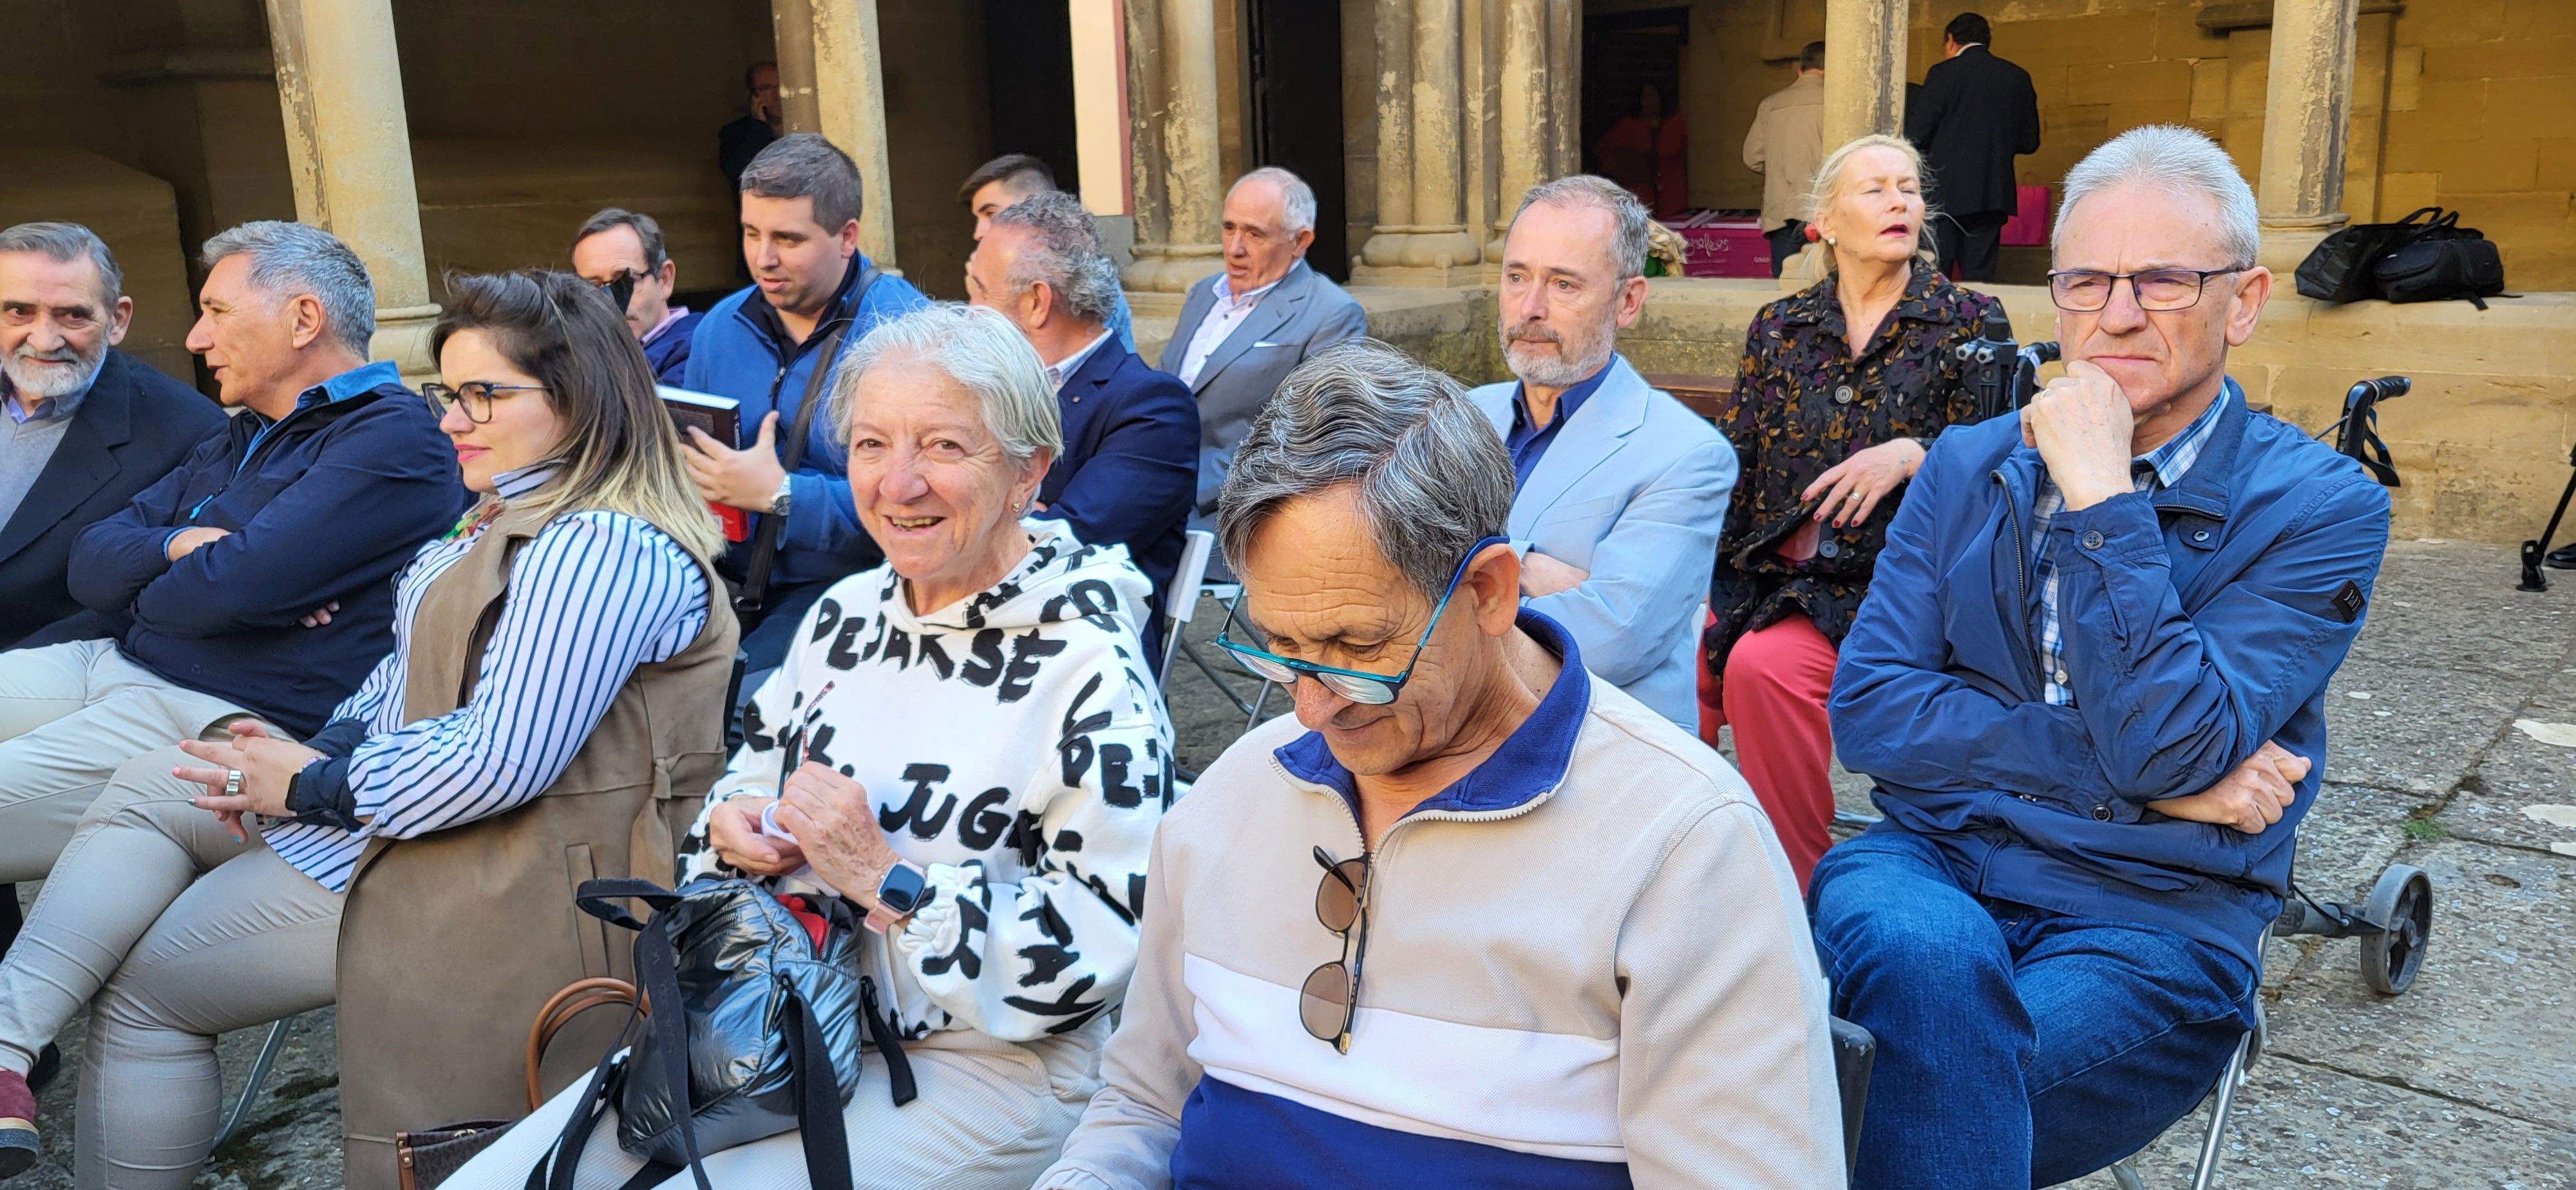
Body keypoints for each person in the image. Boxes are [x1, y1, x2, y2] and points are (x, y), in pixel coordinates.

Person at [1037, 341, 1840, 1189]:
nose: (1309, 710)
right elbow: (1141, 1108)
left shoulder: (1684, 844)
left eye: (1355, 647)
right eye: (1280, 648)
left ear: (1492, 591)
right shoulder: (1232, 795)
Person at [453, 303, 1174, 1189]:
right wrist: (733, 825)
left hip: (987, 1067)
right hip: (776, 1024)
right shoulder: (846, 617)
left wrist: (888, 880)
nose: (898, 484)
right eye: (871, 445)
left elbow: (1102, 948)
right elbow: (746, 779)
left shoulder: (1088, 665)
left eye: (944, 447)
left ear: (1028, 472)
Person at [1814, 125, 2392, 1187]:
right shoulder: (1965, 463)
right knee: (1922, 963)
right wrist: (2141, 780)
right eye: (2086, 279)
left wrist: (2100, 495)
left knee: (1848, 1091)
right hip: (1931, 858)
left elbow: (2170, 742)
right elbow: (1872, 713)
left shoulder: (2324, 506)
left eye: (2166, 279)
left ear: (2247, 300)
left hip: (2151, 919)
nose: (2117, 313)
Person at [0, 220, 473, 1184]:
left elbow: (235, 588)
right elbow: (99, 560)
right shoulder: (248, 431)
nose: (195, 336)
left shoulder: (392, 442)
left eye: (217, 310)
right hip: (110, 660)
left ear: (303, 319)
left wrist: (191, 565)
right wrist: (183, 547)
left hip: (205, 709)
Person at [1701, 135, 2005, 889]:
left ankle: (1795, 889)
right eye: (1874, 189)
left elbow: (2010, 455)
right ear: (1826, 222)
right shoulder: (1780, 326)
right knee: (1667, 649)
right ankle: (1681, 865)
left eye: (1907, 188)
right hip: (1769, 571)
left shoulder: (1969, 320)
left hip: (1892, 589)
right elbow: (1734, 459)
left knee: (1765, 668)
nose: (1898, 200)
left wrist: (1917, 452)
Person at [1464, 175, 1736, 731]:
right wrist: (1522, 563)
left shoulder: (1687, 454)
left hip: (1591, 751)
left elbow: (1610, 639)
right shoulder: (1458, 415)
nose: (1530, 307)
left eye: (1564, 285)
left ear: (1628, 301)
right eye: (1517, 277)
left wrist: (1442, 589)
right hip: (1438, 741)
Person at [682, 133, 929, 693]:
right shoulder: (720, 325)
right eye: (751, 233)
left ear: (847, 238)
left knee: (734, 712)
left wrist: (783, 494)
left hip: (851, 591)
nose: (763, 259)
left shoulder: (910, 334)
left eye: (788, 239)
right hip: (717, 579)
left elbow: (923, 504)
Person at [965, 191, 1195, 667]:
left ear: (1036, 302)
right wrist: (1017, 509)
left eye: (979, 290)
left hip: (1080, 660)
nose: (969, 309)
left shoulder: (1151, 405)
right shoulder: (986, 389)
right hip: (980, 633)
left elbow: (1062, 545)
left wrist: (994, 512)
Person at [0, 222, 225, 647]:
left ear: (118, 320)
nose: (45, 340)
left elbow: (151, 603)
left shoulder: (191, 433)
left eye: (73, 315)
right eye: (19, 311)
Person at [1158, 167, 1366, 531]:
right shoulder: (1203, 294)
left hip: (1232, 517)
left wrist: (1175, 486)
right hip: (1154, 492)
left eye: (1254, 234)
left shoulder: (1332, 313)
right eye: (1229, 228)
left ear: (1300, 241)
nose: (1235, 248)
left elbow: (1306, 441)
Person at [1905, 12, 2040, 281]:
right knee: (1980, 281)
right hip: (1991, 193)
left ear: (1951, 41)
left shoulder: (1943, 74)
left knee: (1934, 277)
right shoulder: (2017, 77)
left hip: (1943, 192)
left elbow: (1916, 135)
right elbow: (2030, 142)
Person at [958, 153, 1135, 352]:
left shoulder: (1082, 284)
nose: (978, 233)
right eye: (978, 218)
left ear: (1037, 210)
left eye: (991, 214)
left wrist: (981, 296)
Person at [571, 207, 702, 384]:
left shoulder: (699, 349)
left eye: (627, 281)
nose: (613, 301)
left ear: (664, 279)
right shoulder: (578, 350)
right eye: (593, 287)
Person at [1744, 42, 1826, 278]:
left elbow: (1752, 158)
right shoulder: (1839, 105)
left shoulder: (1771, 104)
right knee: (1825, 290)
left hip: (1780, 208)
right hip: (1821, 210)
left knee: (1784, 290)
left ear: (1799, 71)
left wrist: (1780, 168)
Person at [1593, 82, 1688, 218]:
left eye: (1653, 96)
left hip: (1672, 201)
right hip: (1639, 199)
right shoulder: (1627, 127)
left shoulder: (1675, 126)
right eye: (1645, 97)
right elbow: (1602, 154)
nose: (1650, 101)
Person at [719, 61, 783, 187]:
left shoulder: (807, 125)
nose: (778, 96)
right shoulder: (734, 134)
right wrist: (759, 127)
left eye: (780, 87)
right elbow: (743, 173)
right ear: (752, 96)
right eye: (766, 89)